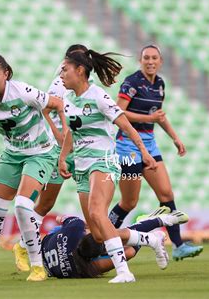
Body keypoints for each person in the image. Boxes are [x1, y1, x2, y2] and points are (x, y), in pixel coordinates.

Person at [0, 53, 67, 282]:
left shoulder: (23, 92)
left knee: (22, 205)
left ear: (6, 75)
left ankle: (37, 267)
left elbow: (57, 104)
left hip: (41, 153)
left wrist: (61, 138)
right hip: (12, 155)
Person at [58, 49, 158, 283]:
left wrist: (144, 152)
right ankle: (147, 238)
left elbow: (126, 126)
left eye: (65, 70)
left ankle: (124, 272)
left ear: (80, 71)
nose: (60, 74)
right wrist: (63, 158)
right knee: (98, 232)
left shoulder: (99, 97)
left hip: (103, 160)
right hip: (81, 167)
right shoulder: (68, 99)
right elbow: (72, 132)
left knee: (96, 212)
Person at [108, 45, 203, 261]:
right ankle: (102, 235)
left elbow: (158, 116)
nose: (150, 61)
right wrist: (148, 120)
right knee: (129, 202)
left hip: (150, 145)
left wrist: (175, 137)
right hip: (128, 147)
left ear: (160, 62)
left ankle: (178, 245)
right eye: (146, 58)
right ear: (140, 61)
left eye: (154, 58)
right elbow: (118, 111)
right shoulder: (132, 82)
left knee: (166, 195)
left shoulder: (160, 84)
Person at [12, 44, 92, 273]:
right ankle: (23, 245)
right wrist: (59, 137)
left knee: (92, 203)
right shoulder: (60, 80)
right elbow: (46, 108)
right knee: (46, 203)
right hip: (60, 150)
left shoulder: (86, 82)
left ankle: (101, 243)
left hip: (83, 149)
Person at [41, 207, 190, 279]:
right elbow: (60, 217)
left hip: (50, 241)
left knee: (114, 238)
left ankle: (156, 224)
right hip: (49, 245)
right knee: (114, 239)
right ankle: (155, 223)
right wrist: (92, 227)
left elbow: (129, 252)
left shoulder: (86, 267)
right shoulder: (76, 229)